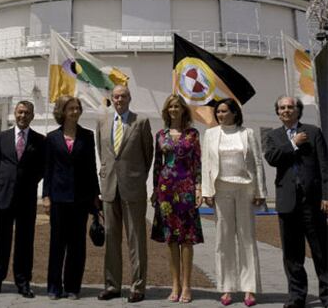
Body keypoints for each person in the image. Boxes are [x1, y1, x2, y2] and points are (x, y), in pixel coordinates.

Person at [264, 96, 328, 308]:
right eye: (282, 107)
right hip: (287, 201)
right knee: (292, 254)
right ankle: (297, 296)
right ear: (278, 111)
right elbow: (272, 158)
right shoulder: (273, 136)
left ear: (298, 110)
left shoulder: (313, 131)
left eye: (290, 107)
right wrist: (293, 144)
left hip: (313, 201)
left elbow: (324, 166)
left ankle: (326, 295)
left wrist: (326, 196)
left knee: (321, 251)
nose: (286, 110)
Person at [202, 98, 266, 307]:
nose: (220, 115)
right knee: (224, 240)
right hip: (221, 190)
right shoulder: (210, 134)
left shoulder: (247, 133)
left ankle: (249, 289)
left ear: (235, 113)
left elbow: (257, 162)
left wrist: (260, 191)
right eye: (218, 112)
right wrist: (206, 191)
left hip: (245, 189)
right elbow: (206, 164)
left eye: (224, 111)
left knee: (247, 238)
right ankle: (227, 287)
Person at [0, 100, 45, 299]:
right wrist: (9, 182)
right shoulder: (2, 137)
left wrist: (25, 182)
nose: (23, 116)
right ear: (14, 114)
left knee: (25, 243)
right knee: (1, 242)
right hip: (4, 197)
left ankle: (23, 281)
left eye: (27, 113)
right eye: (20, 112)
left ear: (32, 116)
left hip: (26, 198)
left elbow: (41, 169)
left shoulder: (40, 140)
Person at [96, 85, 153, 303]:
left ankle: (138, 286)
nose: (120, 99)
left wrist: (137, 177)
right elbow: (102, 153)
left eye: (123, 96)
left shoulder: (141, 122)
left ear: (130, 98)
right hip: (109, 188)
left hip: (133, 188)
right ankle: (112, 285)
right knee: (111, 238)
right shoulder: (102, 122)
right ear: (111, 99)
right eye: (116, 96)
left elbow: (148, 154)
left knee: (136, 240)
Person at [42, 95, 100, 300]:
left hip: (81, 198)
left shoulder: (87, 136)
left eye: (77, 108)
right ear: (62, 112)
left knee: (77, 245)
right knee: (57, 244)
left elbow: (92, 167)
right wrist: (46, 196)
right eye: (70, 108)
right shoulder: (51, 138)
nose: (75, 111)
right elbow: (47, 168)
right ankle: (54, 287)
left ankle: (73, 286)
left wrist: (96, 196)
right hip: (58, 197)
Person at [151, 94, 204, 303]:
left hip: (186, 188)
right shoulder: (160, 135)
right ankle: (175, 284)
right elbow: (157, 164)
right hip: (166, 188)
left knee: (187, 239)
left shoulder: (192, 134)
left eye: (177, 106)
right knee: (171, 239)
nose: (174, 109)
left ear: (183, 109)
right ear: (167, 110)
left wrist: (199, 187)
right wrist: (155, 189)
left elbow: (197, 162)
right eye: (171, 106)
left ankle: (187, 286)